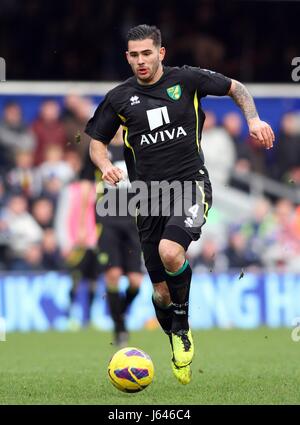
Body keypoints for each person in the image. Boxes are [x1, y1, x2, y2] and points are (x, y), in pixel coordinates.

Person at [86, 24, 275, 385]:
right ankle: (175, 334)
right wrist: (106, 164)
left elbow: (237, 88)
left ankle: (183, 328)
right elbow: (96, 141)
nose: (141, 61)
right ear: (127, 57)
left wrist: (253, 119)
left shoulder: (186, 80)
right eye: (134, 55)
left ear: (161, 53)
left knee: (171, 252)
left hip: (190, 186)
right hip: (146, 198)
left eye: (147, 53)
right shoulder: (118, 98)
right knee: (159, 292)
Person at [79, 127, 144, 345]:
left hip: (133, 223)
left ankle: (119, 313)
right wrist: (83, 224)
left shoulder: (133, 147)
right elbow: (87, 190)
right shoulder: (98, 151)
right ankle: (119, 328)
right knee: (113, 275)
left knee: (135, 281)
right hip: (108, 222)